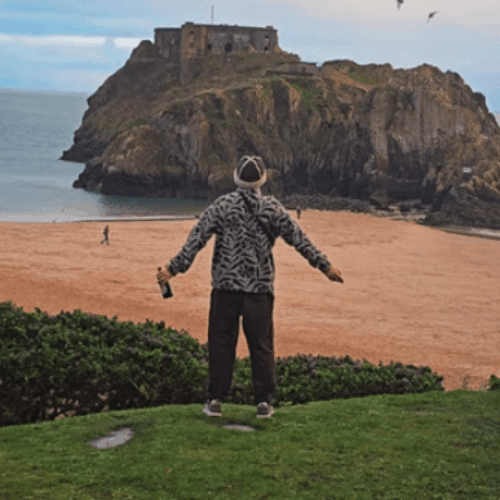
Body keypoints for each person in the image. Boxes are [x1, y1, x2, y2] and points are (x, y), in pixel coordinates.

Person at [157, 155, 343, 419]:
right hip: (259, 289)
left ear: (236, 178)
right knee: (261, 346)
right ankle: (264, 402)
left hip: (225, 287)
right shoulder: (272, 208)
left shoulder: (223, 205)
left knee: (221, 345)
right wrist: (325, 266)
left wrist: (172, 269)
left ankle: (215, 400)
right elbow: (299, 239)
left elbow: (196, 239)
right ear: (262, 180)